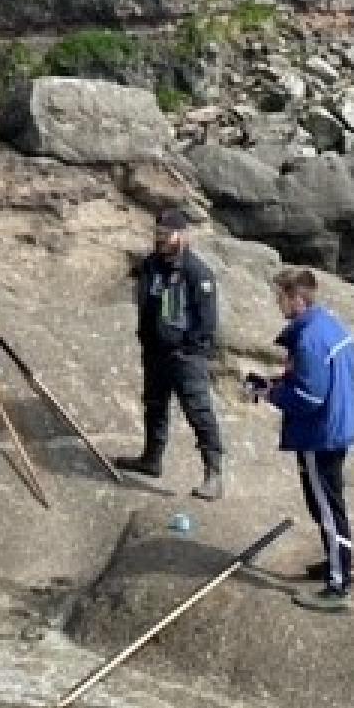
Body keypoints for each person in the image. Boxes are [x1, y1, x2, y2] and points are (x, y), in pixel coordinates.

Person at [250, 266, 354, 614]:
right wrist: (277, 382)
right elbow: (330, 377)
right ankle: (340, 562)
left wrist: (271, 395)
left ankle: (338, 584)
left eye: (281, 296)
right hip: (338, 424)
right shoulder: (329, 325)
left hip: (320, 434)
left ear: (297, 299)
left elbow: (310, 398)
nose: (278, 303)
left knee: (326, 506)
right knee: (331, 501)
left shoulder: (309, 338)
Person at [115, 206, 226, 500]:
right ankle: (151, 459)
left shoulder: (197, 272)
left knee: (198, 412)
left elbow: (207, 321)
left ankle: (213, 474)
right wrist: (147, 339)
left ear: (182, 235)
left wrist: (187, 347)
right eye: (158, 233)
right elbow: (147, 304)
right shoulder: (152, 264)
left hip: (186, 356)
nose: (161, 239)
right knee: (154, 406)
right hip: (155, 352)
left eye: (167, 234)